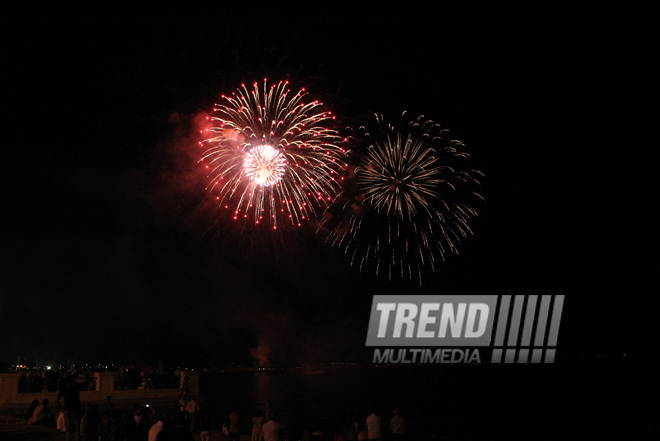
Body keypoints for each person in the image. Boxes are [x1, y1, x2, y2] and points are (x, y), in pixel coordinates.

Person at [57, 373, 82, 441]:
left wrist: (61, 408)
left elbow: (57, 400)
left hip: (67, 409)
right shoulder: (75, 387)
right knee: (77, 429)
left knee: (68, 429)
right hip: (75, 409)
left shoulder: (64, 388)